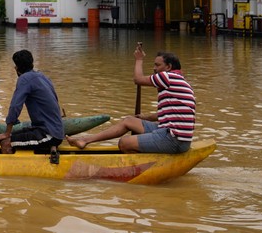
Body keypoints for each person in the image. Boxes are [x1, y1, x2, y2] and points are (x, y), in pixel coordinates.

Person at [66, 43, 195, 153]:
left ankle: (142, 162)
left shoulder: (167, 77)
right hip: (171, 134)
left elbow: (138, 79)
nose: (154, 69)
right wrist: (146, 117)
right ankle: (85, 140)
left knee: (124, 143)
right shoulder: (180, 81)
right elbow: (170, 113)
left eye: (157, 65)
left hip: (173, 139)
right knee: (129, 121)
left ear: (168, 67)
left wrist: (139, 60)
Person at [0, 49, 65, 155]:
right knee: (16, 135)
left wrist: (7, 133)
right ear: (32, 64)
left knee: (4, 141)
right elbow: (55, 99)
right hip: (55, 131)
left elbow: (15, 106)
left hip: (49, 135)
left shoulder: (24, 79)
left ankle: (9, 168)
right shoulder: (42, 76)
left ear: (17, 68)